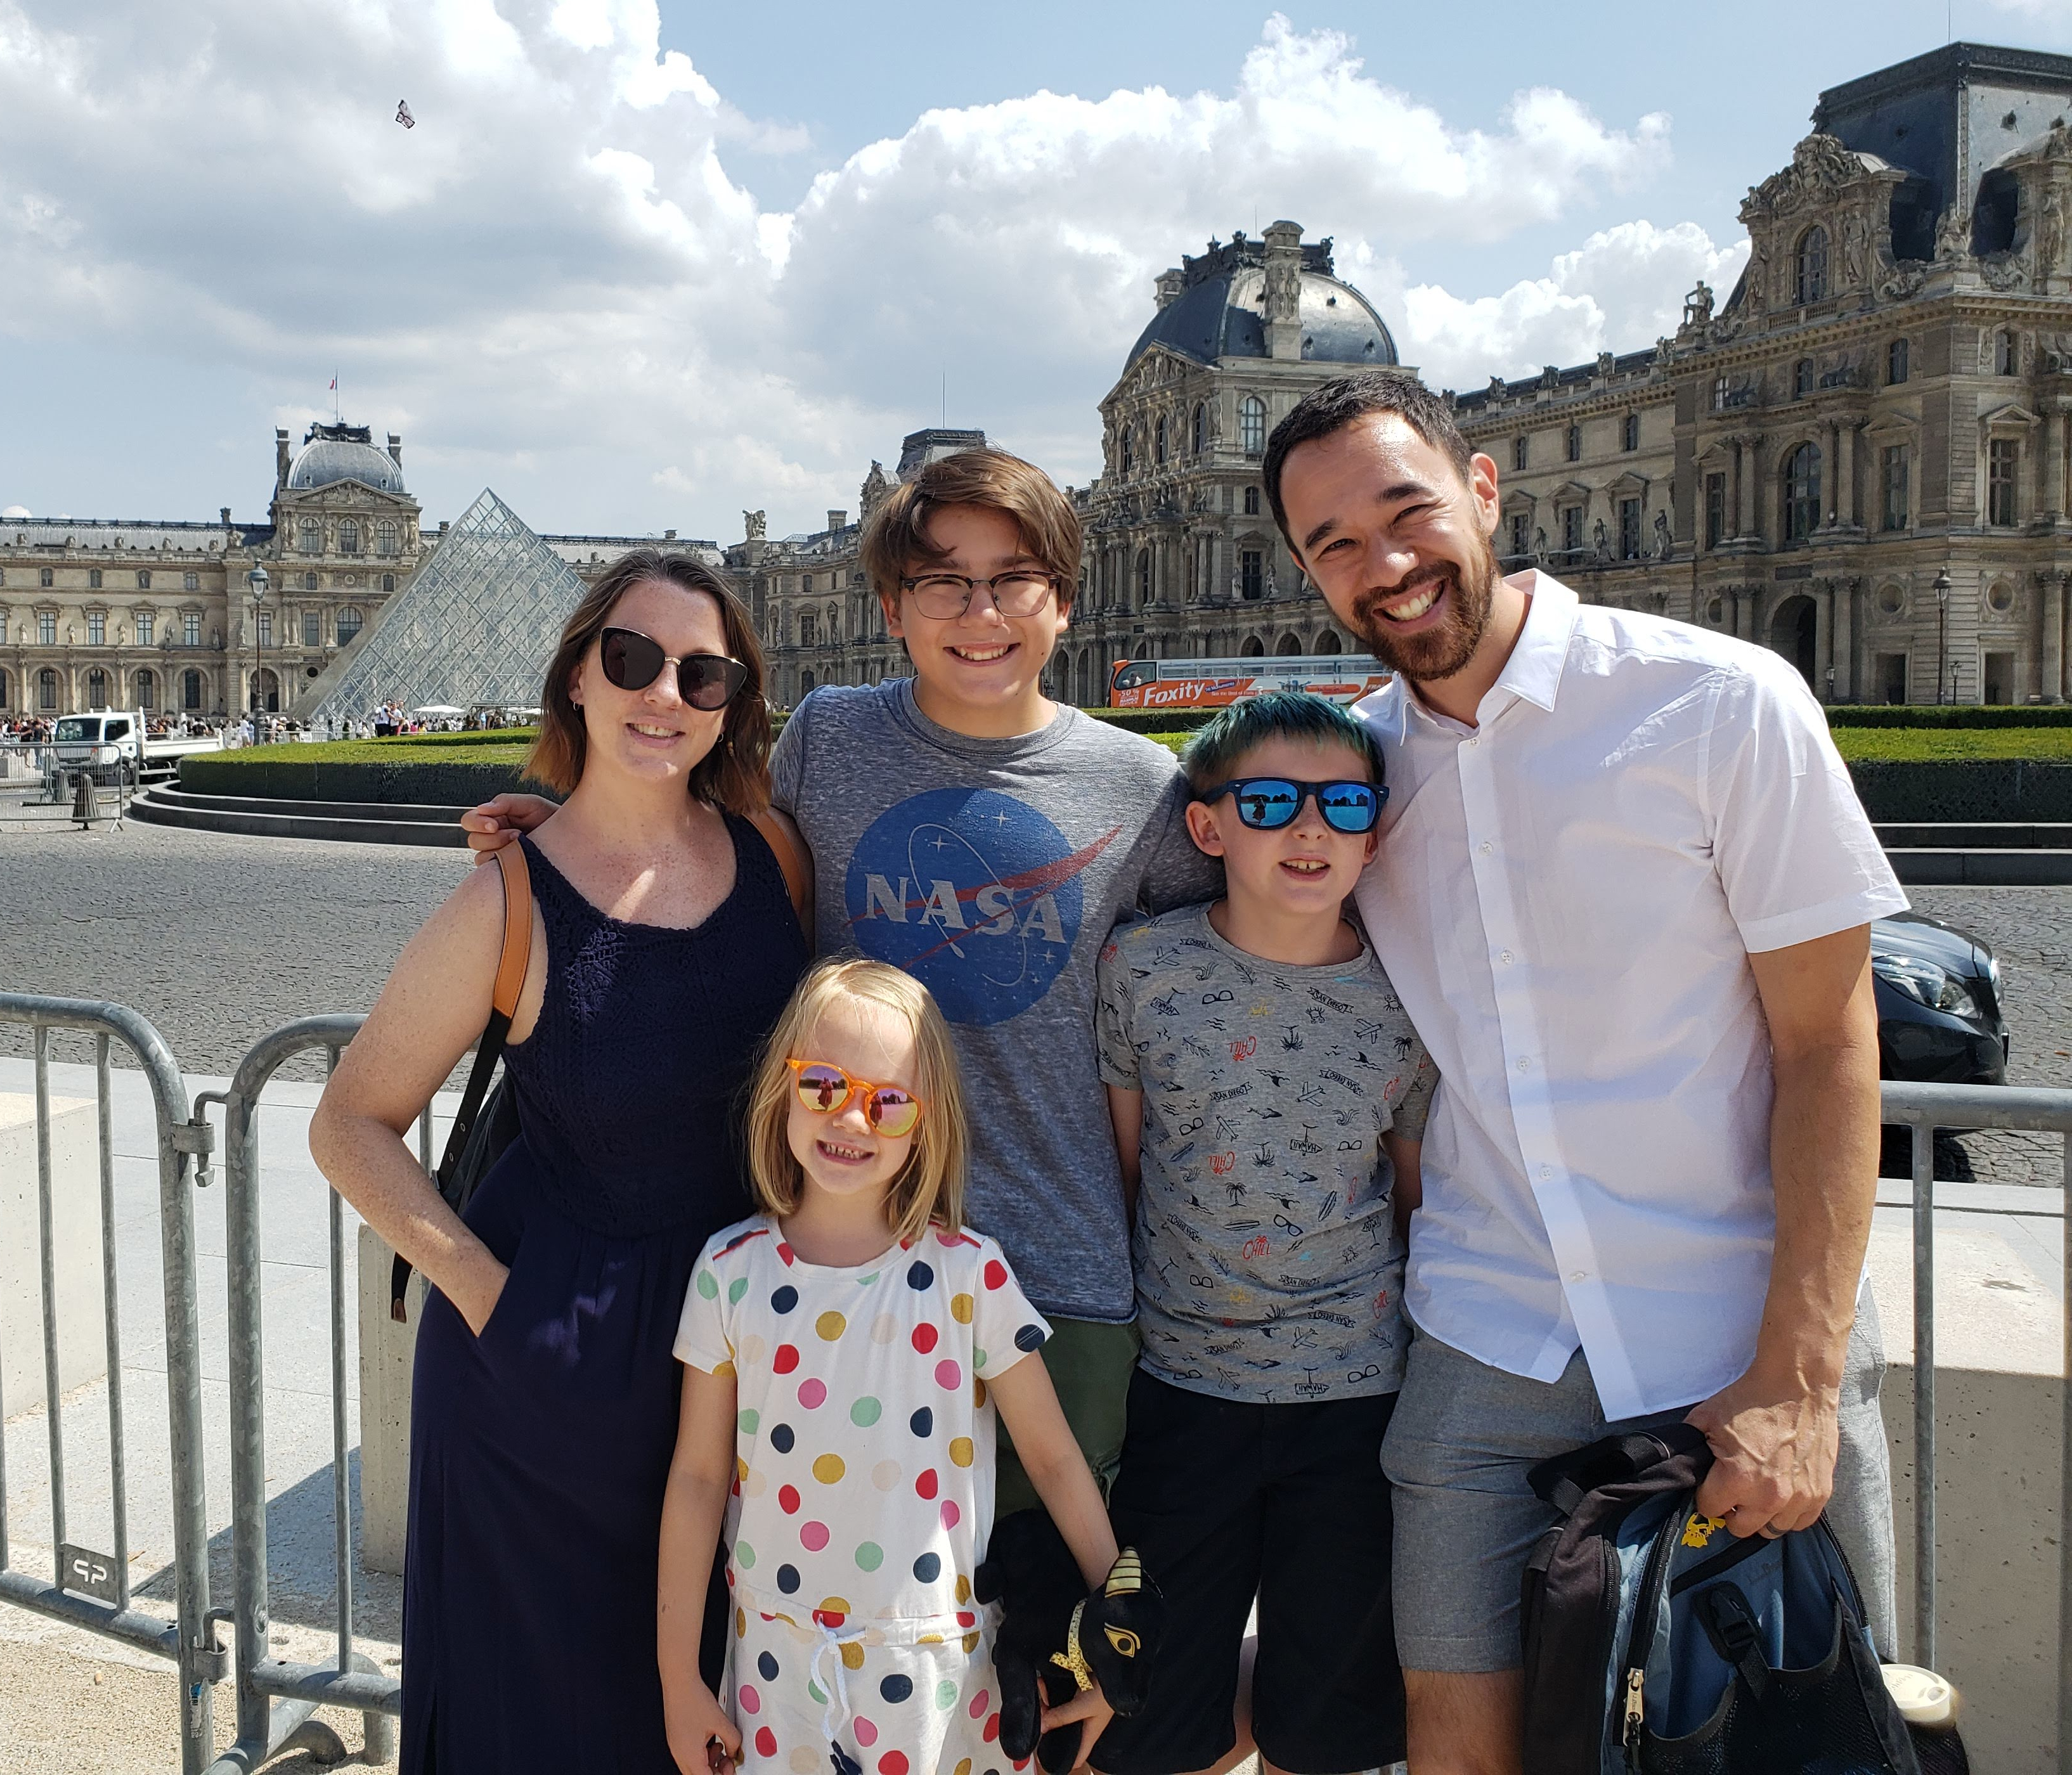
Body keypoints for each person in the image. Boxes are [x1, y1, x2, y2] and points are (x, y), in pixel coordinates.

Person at [1260, 369, 1905, 1775]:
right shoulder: (1349, 779)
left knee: (1785, 1746)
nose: (1383, 565)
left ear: (1483, 490)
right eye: (1332, 545)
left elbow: (1827, 1040)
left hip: (1736, 1332)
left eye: (1404, 512)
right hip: (1488, 1345)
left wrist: (1793, 1377)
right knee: (1460, 1750)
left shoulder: (1719, 700)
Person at [464, 449, 1220, 1522]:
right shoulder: (829, 735)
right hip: (831, 1264)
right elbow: (706, 843)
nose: (981, 610)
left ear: (1062, 599)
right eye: (943, 581)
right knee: (834, 1612)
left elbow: (1227, 974)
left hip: (1058, 1271)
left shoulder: (1146, 790)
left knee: (1041, 1646)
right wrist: (575, 835)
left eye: (1013, 579)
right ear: (892, 605)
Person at [309, 548, 811, 1773]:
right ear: (578, 675)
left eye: (705, 674)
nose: (665, 695)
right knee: (544, 1717)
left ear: (734, 702)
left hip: (748, 1337)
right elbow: (349, 1122)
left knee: (723, 1705)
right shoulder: (503, 901)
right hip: (556, 1358)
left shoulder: (773, 852)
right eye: (634, 659)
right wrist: (493, 1299)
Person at [659, 957, 1121, 1774]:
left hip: (942, 1678)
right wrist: (676, 1679)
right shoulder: (728, 1271)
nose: (854, 1120)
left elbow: (1053, 1460)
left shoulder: (971, 1276)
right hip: (777, 1670)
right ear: (783, 1086)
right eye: (826, 1086)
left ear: (927, 1122)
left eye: (890, 1101)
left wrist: (1116, 1616)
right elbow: (697, 1478)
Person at [1091, 692, 1431, 1775]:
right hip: (1183, 1394)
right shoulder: (1141, 970)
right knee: (1155, 1721)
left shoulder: (1407, 996)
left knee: (1321, 1731)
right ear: (1208, 826)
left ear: (1374, 829)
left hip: (1356, 1402)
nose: (1309, 829)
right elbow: (1129, 1169)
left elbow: (1412, 1195)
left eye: (1342, 804)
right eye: (1273, 801)